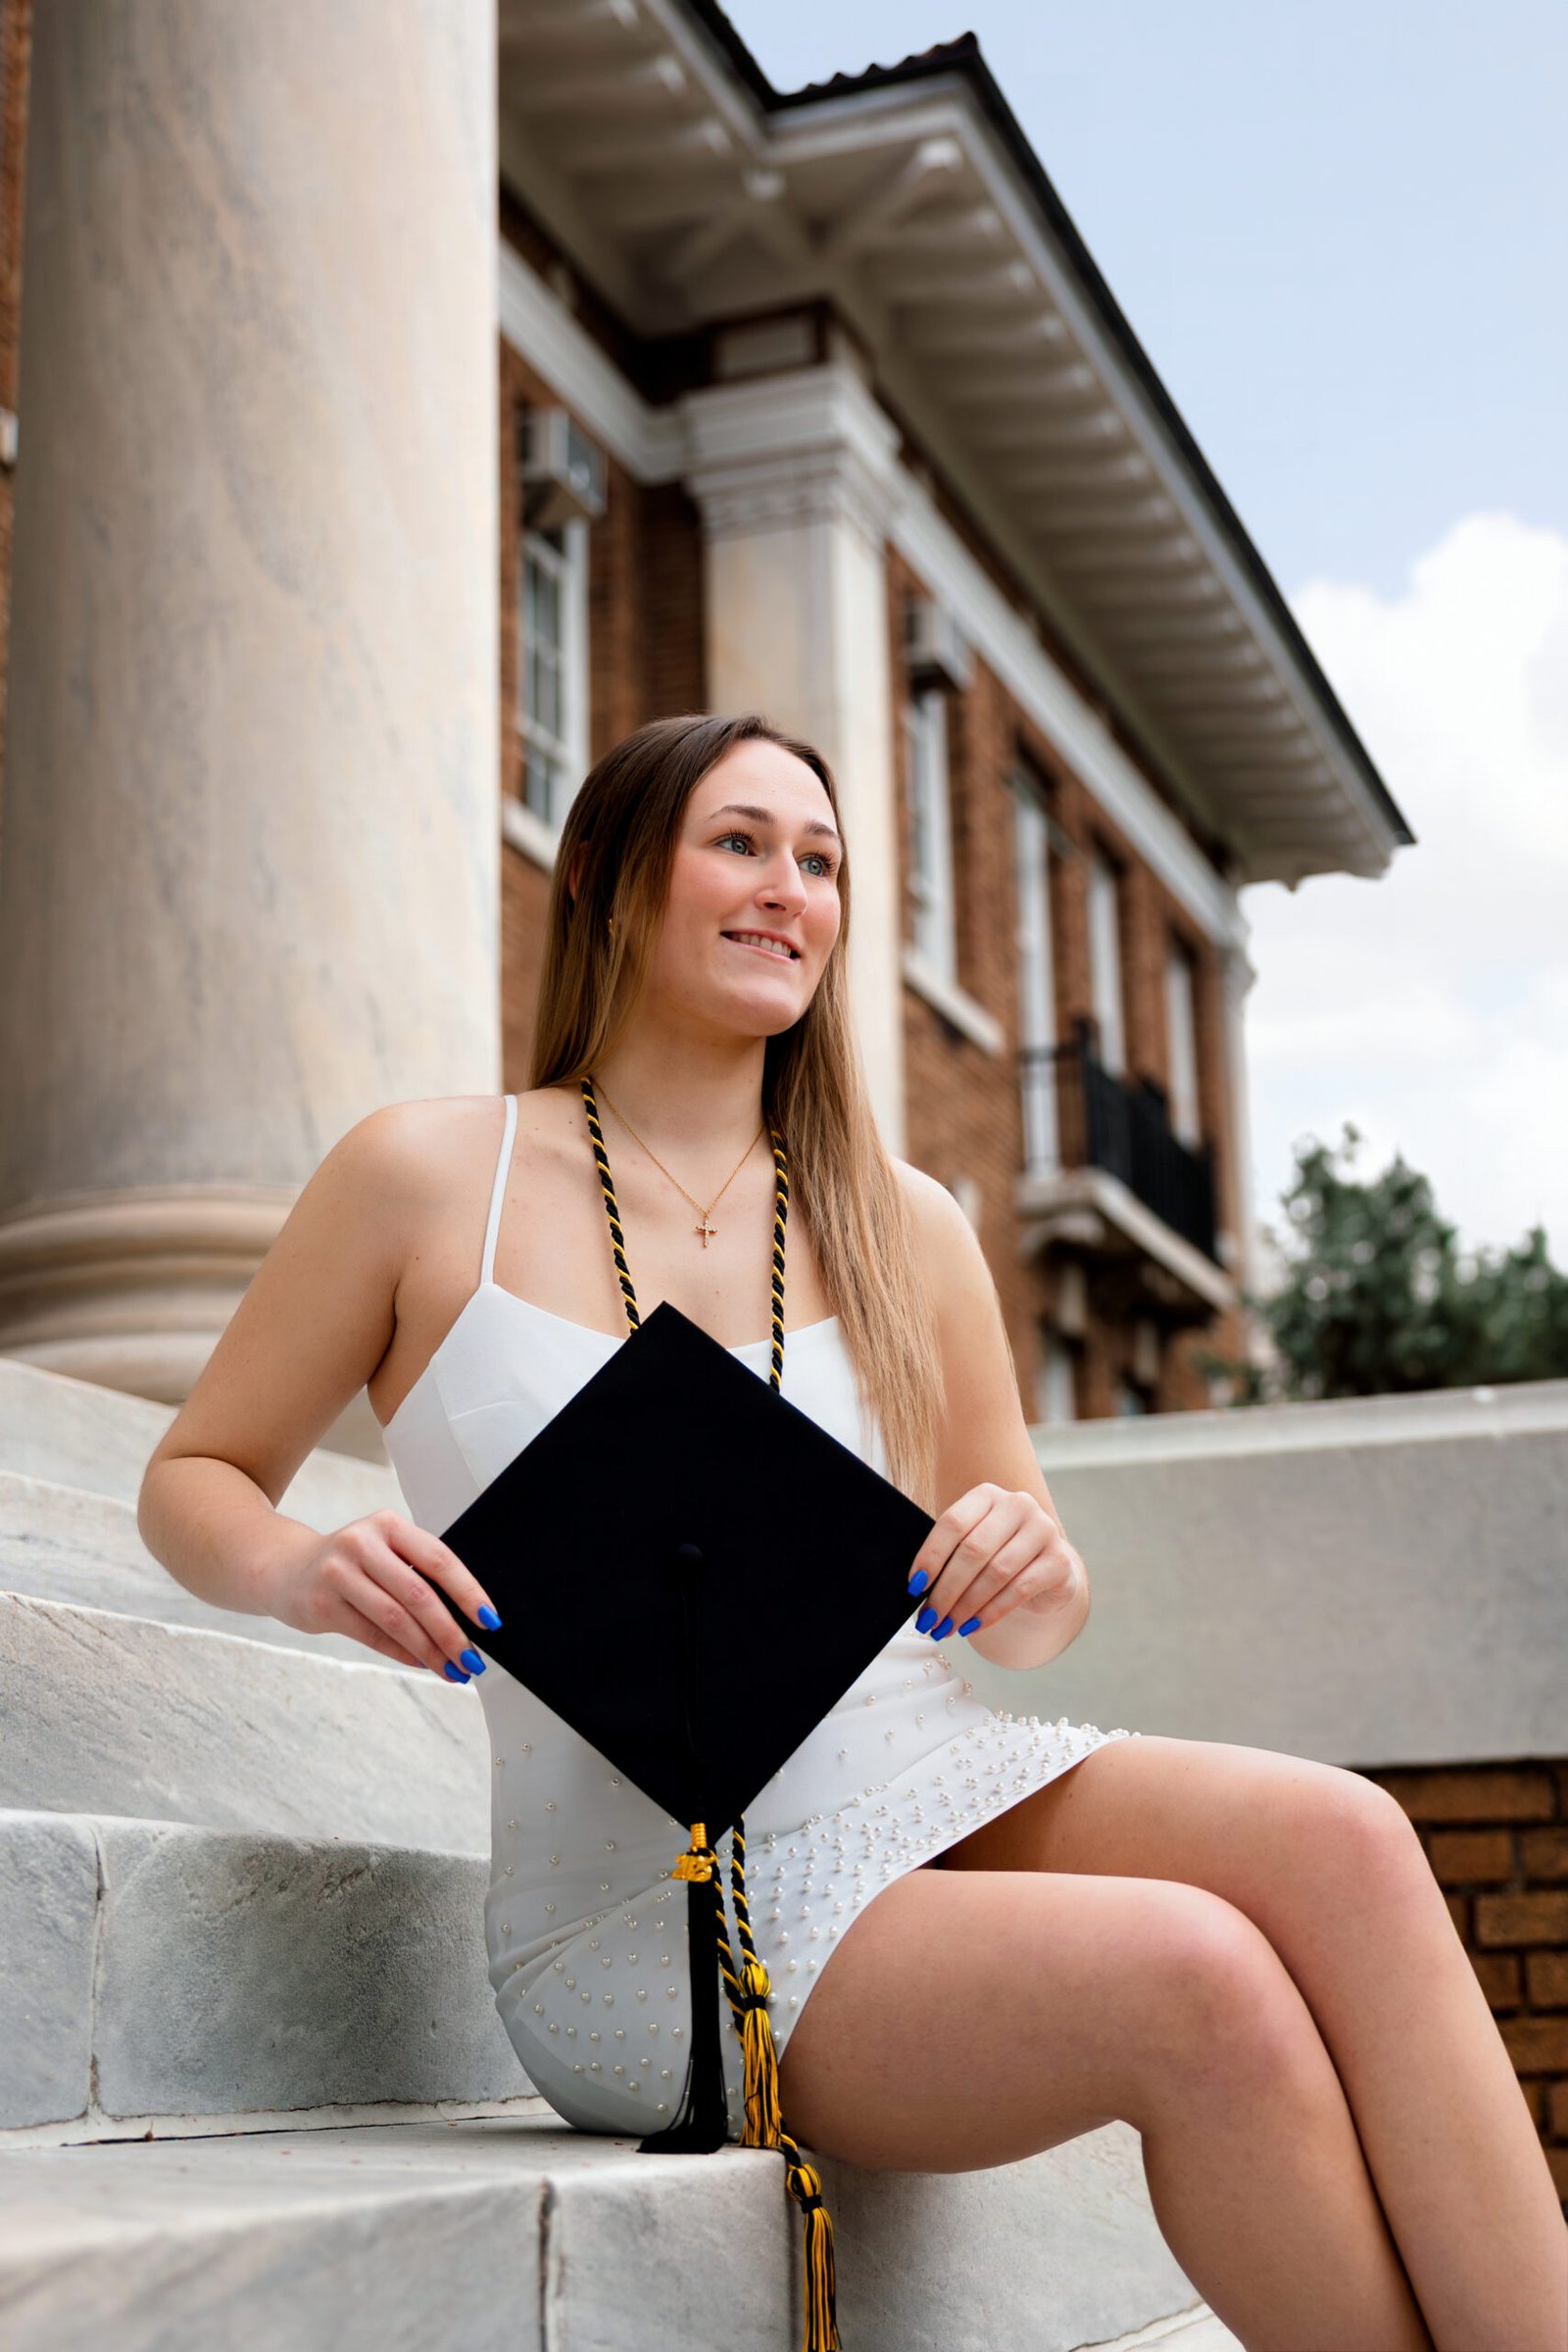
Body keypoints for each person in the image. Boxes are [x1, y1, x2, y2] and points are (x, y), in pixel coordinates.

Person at [138, 710, 1565, 2349]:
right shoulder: (420, 1175)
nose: (788, 891)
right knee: (1203, 1977)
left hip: (930, 1780)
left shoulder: (906, 1220)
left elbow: (1024, 1601)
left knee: (1354, 1841)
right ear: (604, 876)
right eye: (741, 843)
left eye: (819, 862)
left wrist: (1033, 1569)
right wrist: (305, 1568)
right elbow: (198, 1478)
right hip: (662, 1907)